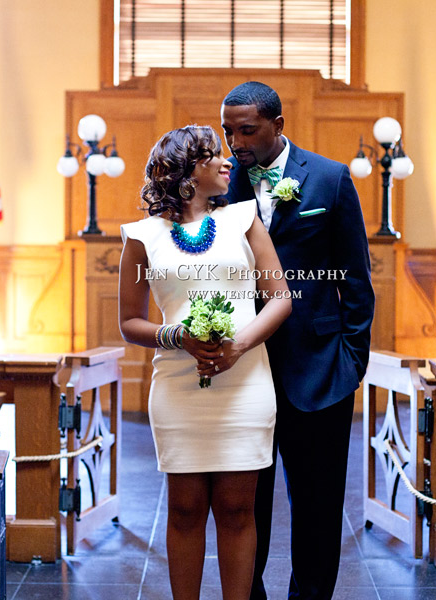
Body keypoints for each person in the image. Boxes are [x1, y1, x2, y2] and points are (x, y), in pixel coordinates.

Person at [118, 125, 292, 600]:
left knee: (239, 510)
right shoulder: (141, 237)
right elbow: (130, 322)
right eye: (211, 155)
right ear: (186, 171)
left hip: (247, 384)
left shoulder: (243, 219)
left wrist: (237, 346)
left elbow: (279, 299)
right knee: (186, 510)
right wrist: (178, 337)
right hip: (178, 386)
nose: (225, 160)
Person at [220, 81, 375, 600]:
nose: (235, 142)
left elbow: (355, 279)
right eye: (228, 131)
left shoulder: (330, 180)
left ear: (277, 126)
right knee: (245, 503)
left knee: (318, 504)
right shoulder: (219, 186)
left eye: (246, 130)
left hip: (320, 368)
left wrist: (352, 360)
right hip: (241, 368)